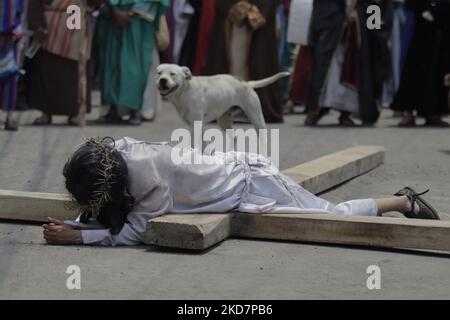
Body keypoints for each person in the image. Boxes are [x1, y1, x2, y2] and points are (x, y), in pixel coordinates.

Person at [43, 137, 439, 246]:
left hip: (253, 182)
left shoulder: (149, 180)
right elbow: (111, 205)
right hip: (238, 174)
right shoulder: (121, 150)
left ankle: (403, 200)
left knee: (332, 215)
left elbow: (134, 231)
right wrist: (74, 220)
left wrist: (77, 236)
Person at [95, 0, 169, 126]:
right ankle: (113, 109)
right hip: (113, 17)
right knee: (112, 62)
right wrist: (115, 11)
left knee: (135, 65)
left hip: (139, 20)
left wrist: (134, 12)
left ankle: (135, 109)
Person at [28, 0, 99, 126]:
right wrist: (36, 25)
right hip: (50, 23)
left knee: (75, 67)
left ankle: (75, 113)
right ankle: (46, 112)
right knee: (47, 67)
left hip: (76, 17)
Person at [0, 0, 26, 131]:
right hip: (9, 36)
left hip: (11, 39)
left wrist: (18, 31)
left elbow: (21, 14)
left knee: (11, 78)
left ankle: (9, 117)